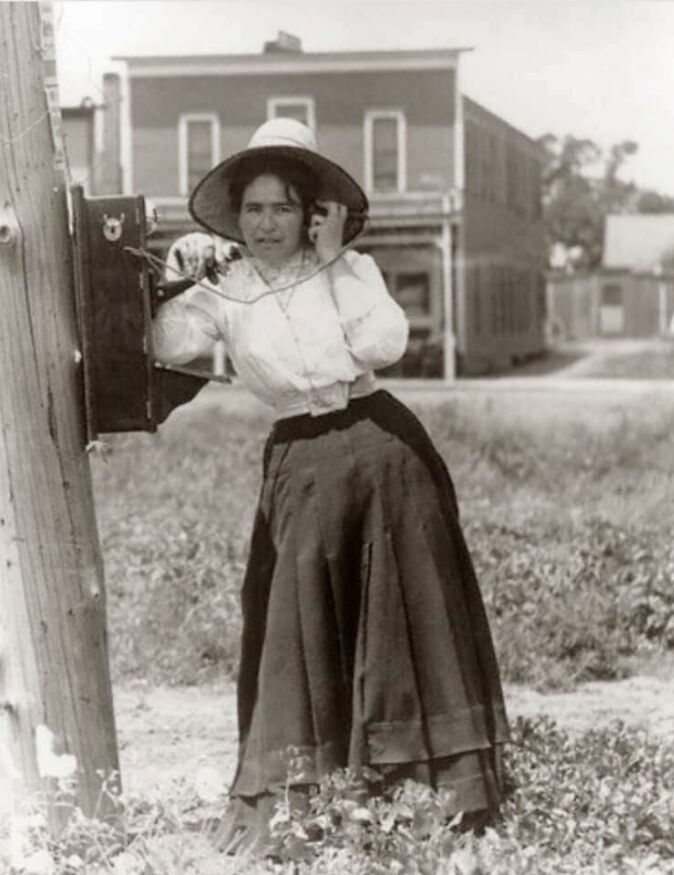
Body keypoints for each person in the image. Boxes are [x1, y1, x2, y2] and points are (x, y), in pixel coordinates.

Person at [151, 117, 509, 855]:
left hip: (383, 453)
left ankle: (423, 797)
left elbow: (383, 345)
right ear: (235, 217)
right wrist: (178, 273)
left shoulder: (353, 272)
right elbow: (168, 344)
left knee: (403, 623)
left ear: (314, 210)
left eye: (284, 206)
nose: (267, 223)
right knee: (300, 624)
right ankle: (305, 802)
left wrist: (335, 260)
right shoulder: (229, 287)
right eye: (253, 208)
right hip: (300, 463)